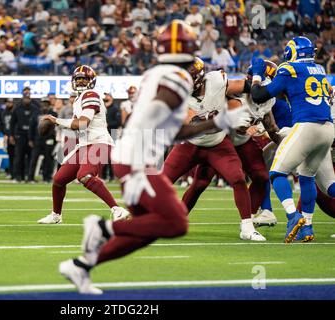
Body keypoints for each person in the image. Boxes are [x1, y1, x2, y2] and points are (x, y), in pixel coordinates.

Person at [58, 20, 251, 294]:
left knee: (144, 230)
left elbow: (170, 126)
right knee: (176, 223)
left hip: (134, 154)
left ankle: (81, 266)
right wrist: (222, 122)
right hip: (136, 158)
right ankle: (102, 229)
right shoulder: (179, 78)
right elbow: (171, 128)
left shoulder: (155, 73)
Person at [162, 57, 267, 241]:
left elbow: (245, 87)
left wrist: (261, 93)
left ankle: (247, 227)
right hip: (191, 144)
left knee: (238, 179)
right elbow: (195, 123)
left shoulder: (217, 80)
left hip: (217, 144)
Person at [251, 36, 334, 243]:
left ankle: (292, 216)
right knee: (315, 181)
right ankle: (307, 227)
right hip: (328, 129)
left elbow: (259, 95)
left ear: (293, 51)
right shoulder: (320, 69)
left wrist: (257, 76)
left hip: (307, 126)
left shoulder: (289, 68)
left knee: (276, 172)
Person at [38, 65, 130, 224]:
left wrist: (56, 121)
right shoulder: (79, 99)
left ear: (91, 81)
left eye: (84, 79)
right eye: (78, 79)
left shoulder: (91, 95)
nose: (80, 82)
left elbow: (82, 124)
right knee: (59, 180)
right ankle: (56, 215)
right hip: (84, 145)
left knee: (85, 176)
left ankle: (117, 209)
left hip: (99, 142)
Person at [10, 88, 39, 182]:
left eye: (28, 98)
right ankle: (18, 176)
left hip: (31, 136)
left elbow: (36, 123)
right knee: (19, 156)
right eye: (25, 98)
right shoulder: (17, 108)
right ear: (23, 98)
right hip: (20, 135)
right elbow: (12, 123)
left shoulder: (35, 108)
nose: (27, 99)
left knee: (31, 157)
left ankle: (29, 177)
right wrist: (11, 135)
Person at [28, 97, 57, 183]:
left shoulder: (53, 114)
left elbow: (56, 127)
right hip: (38, 139)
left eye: (47, 103)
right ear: (41, 104)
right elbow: (31, 127)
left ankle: (47, 177)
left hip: (49, 139)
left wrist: (54, 139)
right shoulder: (36, 113)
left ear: (49, 104)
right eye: (44, 103)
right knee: (34, 159)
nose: (45, 105)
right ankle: (30, 177)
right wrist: (30, 139)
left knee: (48, 159)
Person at [2, 98, 15, 179]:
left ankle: (15, 173)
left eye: (10, 102)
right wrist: (5, 134)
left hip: (14, 136)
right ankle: (11, 172)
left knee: (16, 155)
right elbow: (2, 125)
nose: (9, 104)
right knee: (10, 155)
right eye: (7, 102)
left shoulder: (15, 112)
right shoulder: (3, 113)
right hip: (7, 136)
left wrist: (12, 135)